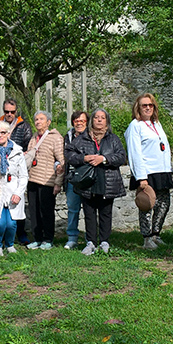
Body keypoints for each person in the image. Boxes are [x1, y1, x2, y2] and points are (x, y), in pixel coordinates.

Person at [66, 109, 126, 255]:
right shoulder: (82, 139)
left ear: (107, 121)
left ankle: (105, 242)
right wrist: (84, 158)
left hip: (107, 181)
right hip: (88, 182)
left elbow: (121, 157)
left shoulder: (113, 139)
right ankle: (90, 242)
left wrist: (104, 159)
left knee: (106, 213)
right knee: (89, 213)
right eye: (97, 117)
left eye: (103, 118)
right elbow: (69, 154)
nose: (99, 120)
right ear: (92, 120)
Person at [125, 94, 173, 250]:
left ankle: (156, 233)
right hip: (147, 171)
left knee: (163, 203)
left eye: (150, 105)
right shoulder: (135, 126)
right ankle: (147, 238)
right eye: (144, 105)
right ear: (138, 108)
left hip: (162, 170)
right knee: (147, 204)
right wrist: (141, 177)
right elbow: (134, 152)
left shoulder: (156, 123)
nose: (147, 108)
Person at [0, 121, 28, 256]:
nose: (0, 135)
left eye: (3, 133)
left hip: (12, 191)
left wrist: (19, 193)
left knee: (11, 224)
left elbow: (23, 176)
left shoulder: (17, 151)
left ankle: (9, 244)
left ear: (8, 134)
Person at [25, 111, 65, 250]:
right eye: (36, 119)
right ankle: (37, 238)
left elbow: (62, 162)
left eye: (41, 119)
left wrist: (58, 183)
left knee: (46, 212)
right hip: (32, 179)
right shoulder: (34, 137)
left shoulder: (56, 138)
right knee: (33, 211)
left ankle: (48, 239)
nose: (38, 122)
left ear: (48, 122)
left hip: (47, 181)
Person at [0, 99, 33, 245]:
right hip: (1, 169)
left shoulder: (23, 126)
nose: (9, 114)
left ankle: (21, 234)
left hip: (16, 167)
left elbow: (28, 144)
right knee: (0, 204)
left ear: (16, 112)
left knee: (17, 202)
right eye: (6, 111)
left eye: (12, 112)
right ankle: (1, 237)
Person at [63, 111, 88, 249]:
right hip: (72, 177)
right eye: (76, 121)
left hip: (87, 177)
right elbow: (64, 155)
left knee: (89, 209)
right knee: (72, 209)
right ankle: (72, 238)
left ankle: (89, 237)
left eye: (82, 121)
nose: (79, 123)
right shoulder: (68, 136)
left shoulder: (91, 136)